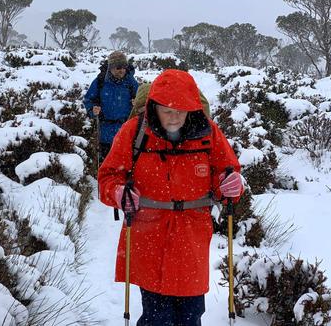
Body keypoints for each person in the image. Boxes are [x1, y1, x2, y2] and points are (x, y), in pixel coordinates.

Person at [98, 69, 244, 325]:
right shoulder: (134, 132)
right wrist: (118, 193)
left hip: (191, 238)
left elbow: (226, 171)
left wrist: (230, 184)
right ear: (153, 106)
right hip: (148, 237)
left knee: (191, 315)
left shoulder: (208, 132)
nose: (174, 117)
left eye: (181, 110)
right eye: (166, 110)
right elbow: (108, 177)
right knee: (157, 315)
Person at [83, 51, 139, 164]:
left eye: (124, 67)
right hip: (105, 133)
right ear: (111, 67)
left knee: (125, 166)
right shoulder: (100, 81)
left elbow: (142, 102)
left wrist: (136, 103)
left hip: (126, 132)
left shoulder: (131, 82)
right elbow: (89, 99)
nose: (122, 70)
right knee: (106, 166)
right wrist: (92, 109)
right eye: (118, 67)